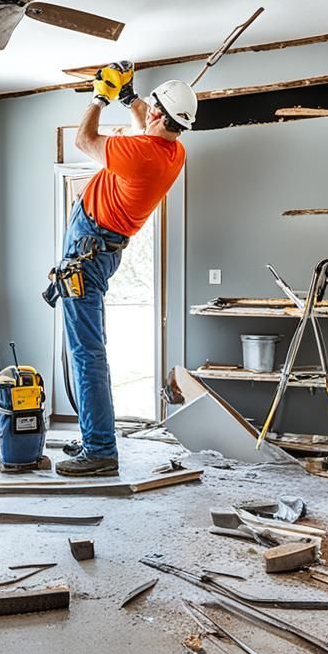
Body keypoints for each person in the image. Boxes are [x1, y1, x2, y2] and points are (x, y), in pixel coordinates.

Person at [55, 62, 197, 477]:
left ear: (158, 114)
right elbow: (148, 128)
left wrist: (99, 97)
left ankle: (100, 449)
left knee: (87, 354)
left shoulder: (137, 154)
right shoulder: (173, 152)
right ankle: (93, 435)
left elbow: (84, 139)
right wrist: (131, 98)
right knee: (87, 350)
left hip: (88, 249)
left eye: (150, 107)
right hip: (98, 247)